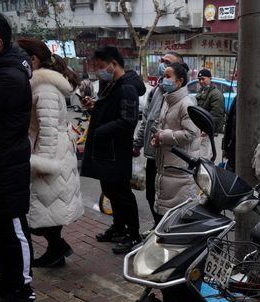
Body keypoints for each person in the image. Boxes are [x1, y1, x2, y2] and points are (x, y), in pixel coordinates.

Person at [17, 38, 84, 268]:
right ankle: (57, 249)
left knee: (43, 210)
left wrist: (42, 162)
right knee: (48, 208)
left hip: (50, 155)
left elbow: (47, 129)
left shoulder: (43, 88)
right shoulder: (43, 85)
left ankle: (57, 249)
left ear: (32, 59)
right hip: (55, 152)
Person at [80, 46, 146, 255]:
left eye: (101, 67)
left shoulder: (127, 88)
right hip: (107, 151)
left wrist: (100, 130)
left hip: (117, 151)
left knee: (122, 194)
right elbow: (111, 110)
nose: (100, 71)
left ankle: (134, 235)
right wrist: (94, 107)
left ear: (113, 64)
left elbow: (128, 120)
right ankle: (118, 228)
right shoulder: (112, 84)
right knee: (110, 192)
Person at [0, 11, 36, 302]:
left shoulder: (9, 77)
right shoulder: (5, 65)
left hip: (6, 163)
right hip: (2, 161)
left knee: (13, 228)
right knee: (1, 231)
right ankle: (7, 280)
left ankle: (22, 288)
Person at [133, 51, 183, 227]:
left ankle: (164, 231)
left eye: (167, 63)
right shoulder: (155, 92)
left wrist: (164, 136)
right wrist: (138, 144)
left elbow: (189, 134)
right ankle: (157, 228)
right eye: (162, 61)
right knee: (151, 195)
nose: (162, 65)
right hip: (152, 154)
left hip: (169, 157)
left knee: (167, 199)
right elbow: (146, 121)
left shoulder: (183, 99)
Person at [151, 63, 202, 220]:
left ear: (179, 81)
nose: (163, 80)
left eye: (168, 76)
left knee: (177, 217)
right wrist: (157, 138)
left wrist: (163, 136)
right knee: (165, 216)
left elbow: (190, 134)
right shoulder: (169, 100)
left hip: (179, 169)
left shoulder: (186, 103)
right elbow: (165, 127)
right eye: (163, 76)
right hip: (166, 165)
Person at [223, 96, 237, 172]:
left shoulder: (236, 99)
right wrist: (225, 147)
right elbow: (228, 124)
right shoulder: (236, 100)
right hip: (233, 146)